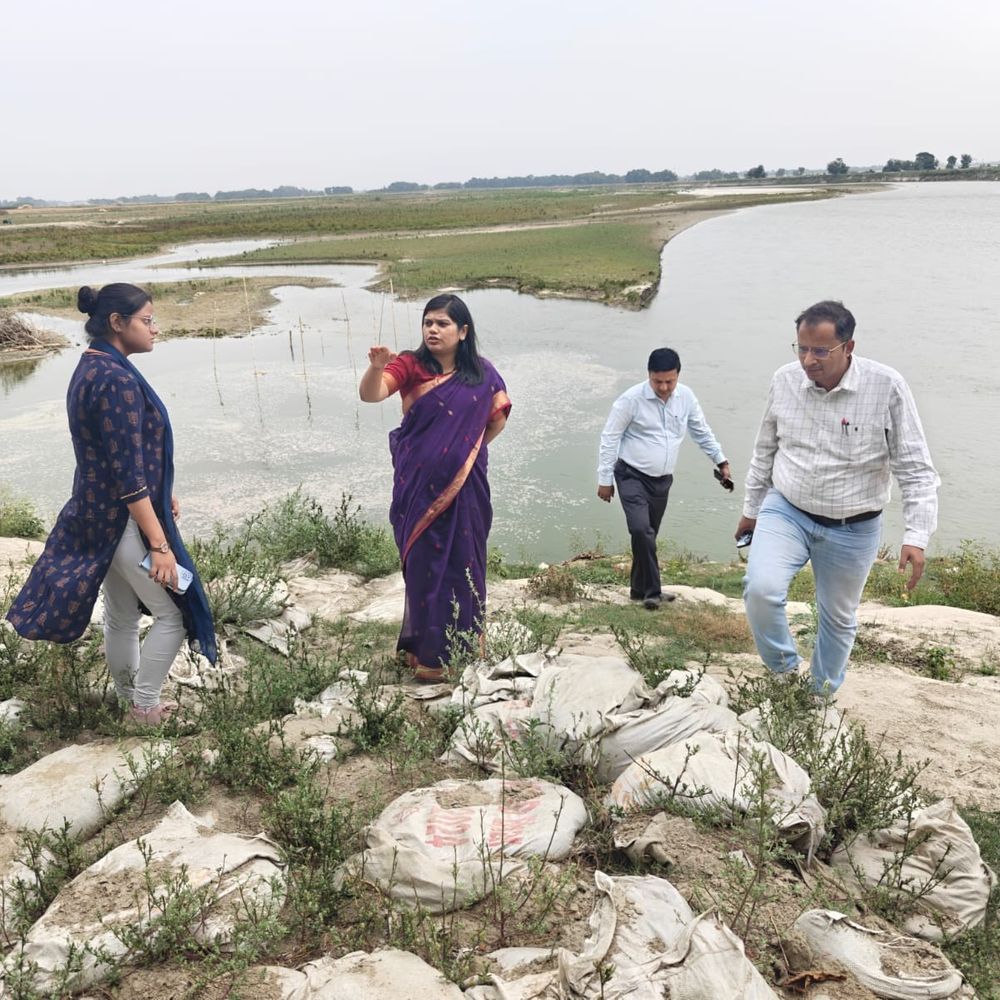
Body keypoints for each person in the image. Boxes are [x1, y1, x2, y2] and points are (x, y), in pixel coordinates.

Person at [6, 284, 217, 724]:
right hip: (122, 522)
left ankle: (128, 699)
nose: (155, 329)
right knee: (173, 615)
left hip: (93, 512)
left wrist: (162, 489)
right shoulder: (117, 380)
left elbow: (113, 453)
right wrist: (159, 544)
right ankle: (144, 706)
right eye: (147, 320)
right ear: (117, 323)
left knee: (121, 615)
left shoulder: (90, 365)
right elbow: (127, 477)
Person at [736, 300, 938, 694]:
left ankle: (819, 694)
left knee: (838, 618)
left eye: (820, 351)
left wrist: (916, 536)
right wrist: (751, 509)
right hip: (787, 509)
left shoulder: (887, 387)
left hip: (854, 525)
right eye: (801, 348)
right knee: (760, 589)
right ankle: (783, 672)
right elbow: (765, 449)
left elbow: (915, 467)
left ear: (848, 347)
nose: (808, 360)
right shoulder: (784, 380)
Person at [359, 294, 511, 682]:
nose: (433, 329)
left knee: (465, 567)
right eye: (428, 322)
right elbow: (371, 394)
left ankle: (462, 650)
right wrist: (376, 368)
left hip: (466, 489)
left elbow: (496, 420)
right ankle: (427, 657)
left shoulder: (482, 373)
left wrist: (467, 451)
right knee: (424, 569)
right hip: (417, 489)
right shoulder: (410, 364)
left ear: (463, 331)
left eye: (442, 323)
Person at [598, 348, 731, 609]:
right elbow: (610, 437)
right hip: (631, 475)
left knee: (648, 535)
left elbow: (701, 430)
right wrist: (605, 479)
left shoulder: (686, 397)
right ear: (649, 375)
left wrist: (721, 460)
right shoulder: (631, 400)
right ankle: (653, 592)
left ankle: (638, 590)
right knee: (641, 529)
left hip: (662, 481)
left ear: (678, 375)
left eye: (670, 381)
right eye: (657, 381)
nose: (663, 387)